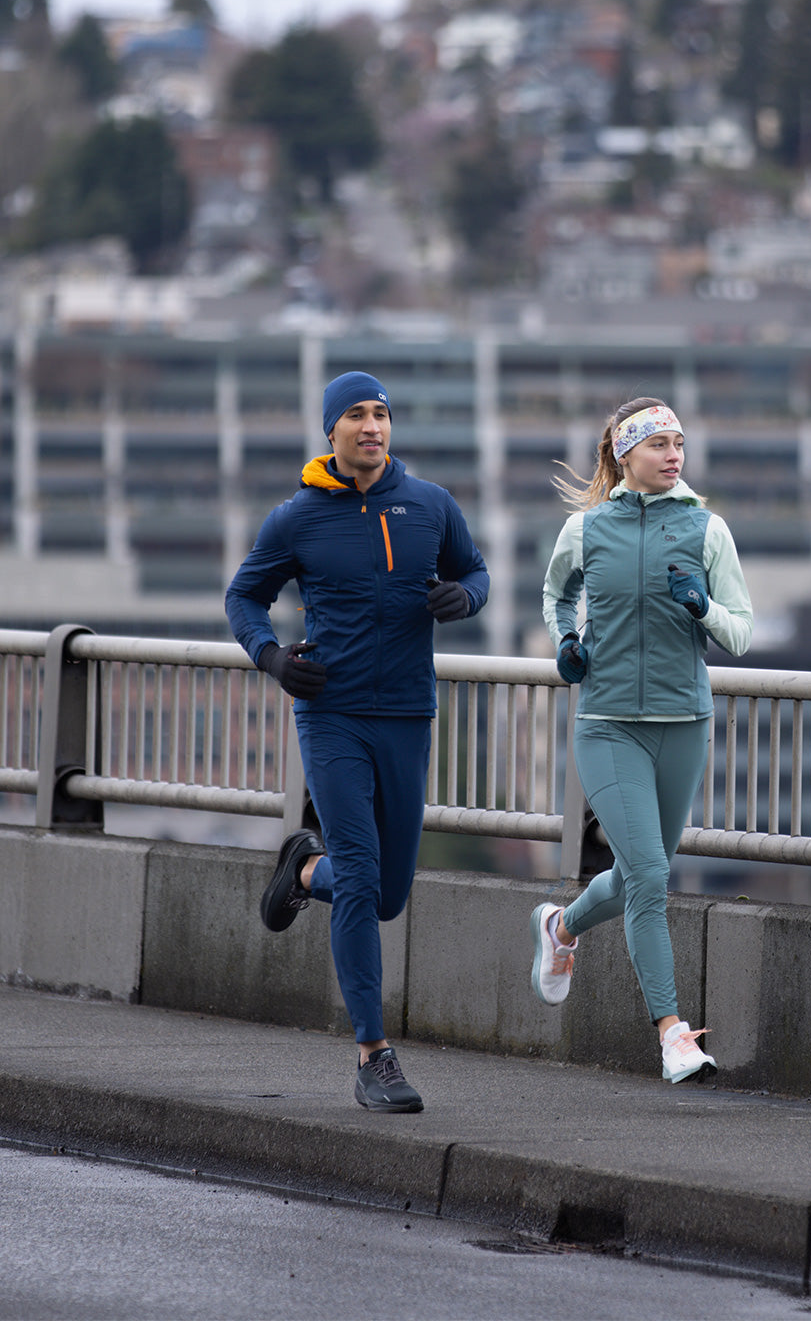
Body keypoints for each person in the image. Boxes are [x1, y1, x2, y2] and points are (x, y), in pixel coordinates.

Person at [226, 370, 489, 1113]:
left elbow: (476, 570)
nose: (372, 426)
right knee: (367, 877)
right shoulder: (296, 518)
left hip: (408, 711)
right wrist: (272, 657)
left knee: (388, 894)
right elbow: (243, 596)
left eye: (381, 414)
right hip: (332, 712)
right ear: (330, 433)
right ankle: (373, 1056)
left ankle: (306, 872)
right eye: (356, 416)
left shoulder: (430, 505)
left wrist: (464, 596)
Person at [533, 397, 753, 1084]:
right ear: (625, 455)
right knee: (653, 878)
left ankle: (560, 928)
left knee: (634, 875)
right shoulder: (587, 528)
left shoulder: (708, 529)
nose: (673, 454)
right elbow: (556, 596)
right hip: (607, 725)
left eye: (679, 442)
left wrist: (703, 608)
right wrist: (567, 642)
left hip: (684, 725)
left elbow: (741, 632)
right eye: (658, 444)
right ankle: (672, 1034)